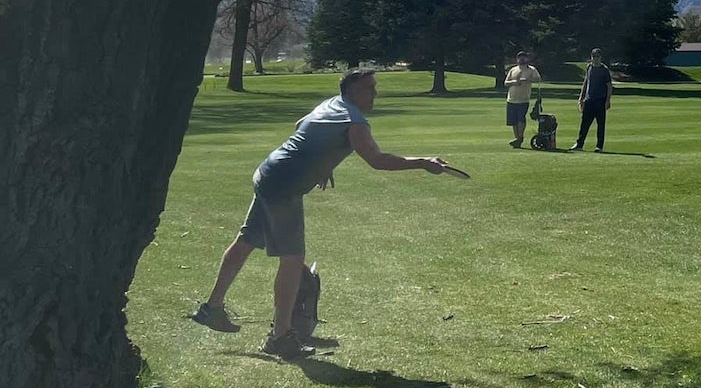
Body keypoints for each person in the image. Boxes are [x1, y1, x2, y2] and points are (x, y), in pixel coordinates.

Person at [190, 68, 449, 359]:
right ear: (351, 91)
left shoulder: (331, 105)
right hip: (284, 186)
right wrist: (422, 162)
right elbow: (377, 160)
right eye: (369, 88)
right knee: (292, 259)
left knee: (247, 240)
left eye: (374, 87)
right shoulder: (355, 121)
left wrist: (323, 165)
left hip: (268, 173)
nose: (375, 93)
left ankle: (211, 308)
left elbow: (302, 123)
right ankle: (281, 338)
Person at [569, 49, 613, 152]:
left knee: (600, 125)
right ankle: (579, 144)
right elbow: (586, 82)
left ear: (600, 57)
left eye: (597, 56)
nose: (595, 59)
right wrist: (581, 97)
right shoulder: (589, 67)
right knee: (584, 124)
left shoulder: (604, 70)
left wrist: (608, 100)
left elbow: (609, 86)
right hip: (589, 100)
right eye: (593, 56)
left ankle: (599, 146)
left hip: (600, 100)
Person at [505, 51, 540, 147]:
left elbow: (538, 79)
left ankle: (520, 136)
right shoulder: (513, 70)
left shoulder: (531, 70)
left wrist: (527, 80)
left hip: (523, 99)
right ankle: (517, 139)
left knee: (521, 119)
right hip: (511, 99)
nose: (522, 59)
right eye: (520, 58)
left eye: (524, 57)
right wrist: (514, 82)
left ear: (527, 59)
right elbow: (506, 83)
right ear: (517, 59)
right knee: (513, 121)